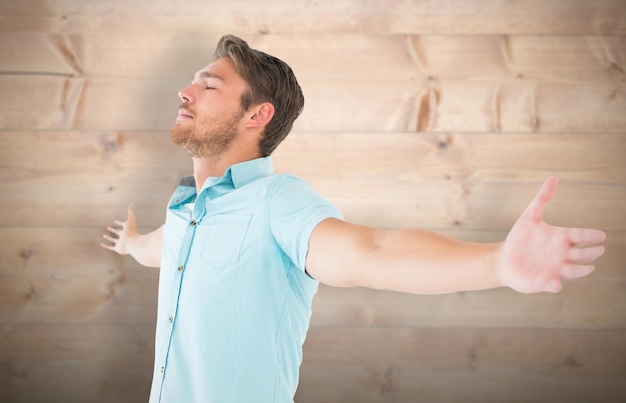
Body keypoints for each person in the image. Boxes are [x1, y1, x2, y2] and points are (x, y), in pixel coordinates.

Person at [101, 34, 606, 403]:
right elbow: (162, 249)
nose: (185, 93)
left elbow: (374, 253)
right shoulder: (186, 209)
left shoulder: (278, 201)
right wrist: (131, 243)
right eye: (192, 83)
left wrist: (496, 263)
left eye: (208, 86)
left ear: (257, 116)